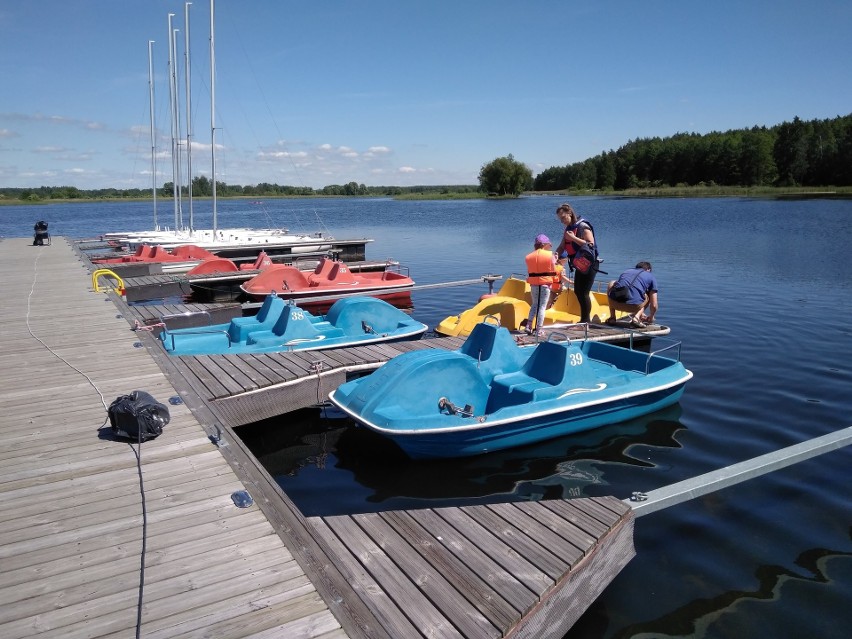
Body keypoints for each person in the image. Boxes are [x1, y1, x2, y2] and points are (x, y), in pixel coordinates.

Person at [554, 202, 598, 323]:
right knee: (578, 291)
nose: (562, 221)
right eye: (560, 219)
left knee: (583, 292)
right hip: (579, 264)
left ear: (570, 213)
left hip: (589, 263)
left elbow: (590, 243)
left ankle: (585, 321)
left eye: (563, 218)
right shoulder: (568, 229)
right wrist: (556, 254)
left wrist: (573, 238)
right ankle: (584, 319)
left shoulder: (583, 226)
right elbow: (562, 246)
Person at [606, 261, 658, 328]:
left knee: (612, 283)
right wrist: (651, 317)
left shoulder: (627, 271)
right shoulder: (651, 276)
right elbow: (654, 305)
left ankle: (612, 317)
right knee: (648, 295)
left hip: (614, 304)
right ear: (648, 269)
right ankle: (636, 318)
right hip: (633, 307)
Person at [522, 233, 556, 335]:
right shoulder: (550, 255)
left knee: (534, 304)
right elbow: (553, 267)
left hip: (534, 285)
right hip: (545, 284)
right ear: (544, 244)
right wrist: (555, 258)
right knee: (542, 307)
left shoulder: (528, 257)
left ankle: (528, 325)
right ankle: (539, 329)